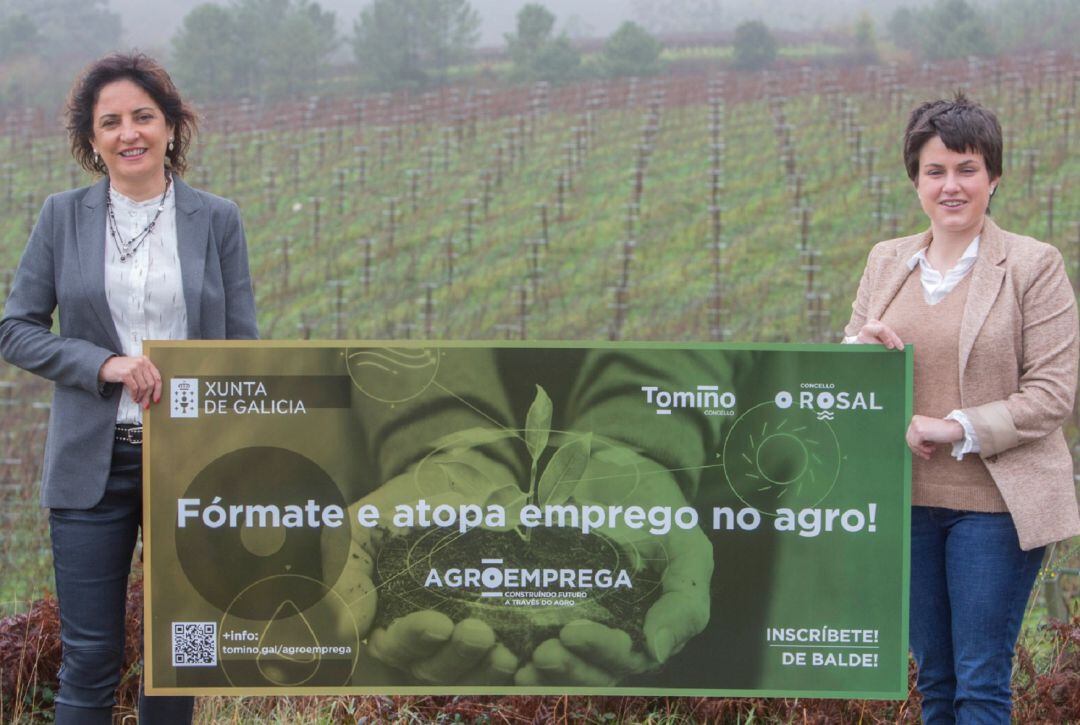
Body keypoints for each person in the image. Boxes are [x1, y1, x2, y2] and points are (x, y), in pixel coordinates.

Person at [0, 53, 257, 723]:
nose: (128, 132)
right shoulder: (62, 218)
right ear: (91, 140)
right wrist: (103, 363)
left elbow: (242, 349)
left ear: (171, 126)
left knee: (177, 657)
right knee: (89, 655)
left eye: (143, 116)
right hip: (92, 459)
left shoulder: (217, 219)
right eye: (109, 122)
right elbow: (15, 329)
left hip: (189, 462)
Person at [845, 94, 1079, 723]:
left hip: (995, 507)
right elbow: (846, 384)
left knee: (980, 682)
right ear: (916, 181)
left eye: (967, 169)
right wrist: (857, 351)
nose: (951, 186)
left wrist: (956, 427)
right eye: (935, 171)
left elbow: (1053, 395)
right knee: (936, 682)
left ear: (994, 177)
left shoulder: (1034, 266)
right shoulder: (886, 262)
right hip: (906, 503)